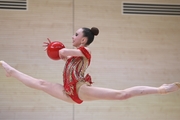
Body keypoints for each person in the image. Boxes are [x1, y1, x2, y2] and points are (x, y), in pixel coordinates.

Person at [0, 27, 180, 104]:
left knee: (121, 95)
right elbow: (62, 55)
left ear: (83, 39)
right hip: (68, 92)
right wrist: (55, 51)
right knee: (41, 84)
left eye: (75, 34)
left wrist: (59, 51)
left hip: (79, 88)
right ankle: (11, 71)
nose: (72, 37)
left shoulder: (85, 51)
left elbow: (64, 53)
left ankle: (161, 89)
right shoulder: (73, 55)